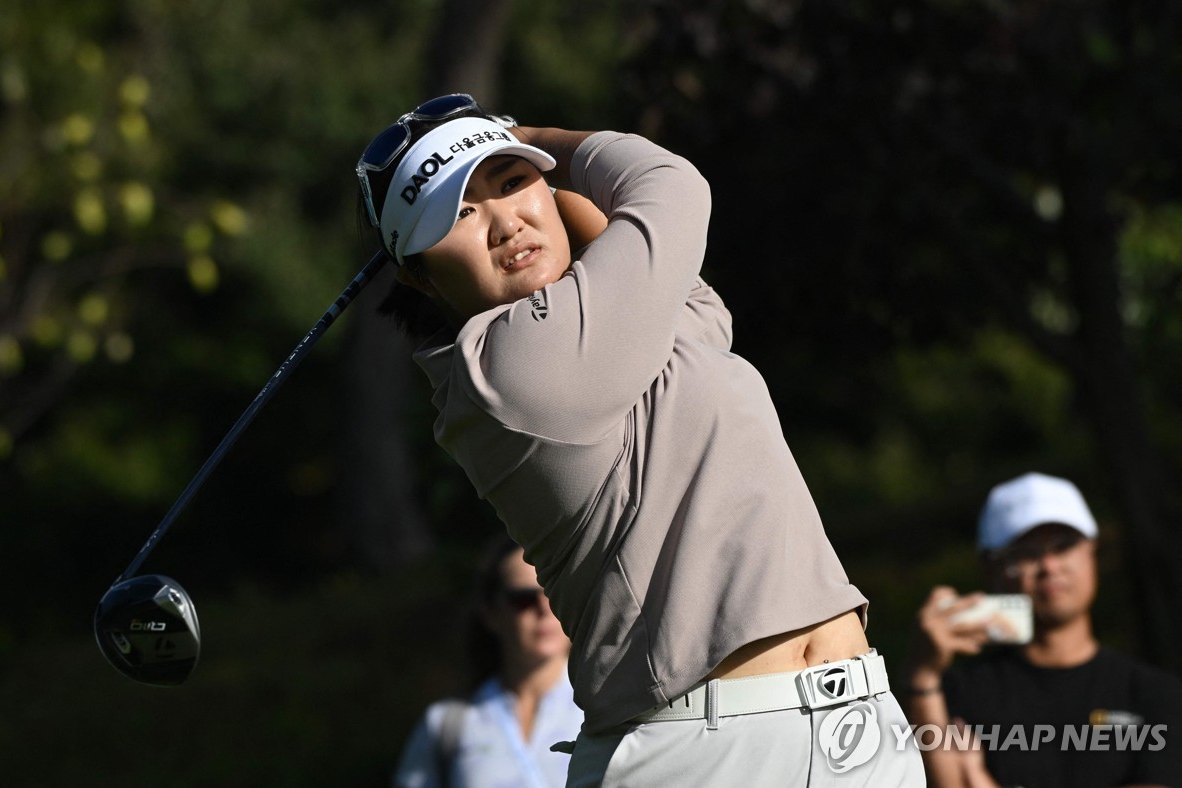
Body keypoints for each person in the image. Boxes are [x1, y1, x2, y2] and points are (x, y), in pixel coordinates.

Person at [356, 93, 925, 785]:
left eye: (512, 184)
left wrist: (533, 182)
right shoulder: (504, 369)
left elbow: (697, 304)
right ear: (415, 274)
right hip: (705, 751)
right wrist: (534, 140)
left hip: (853, 725)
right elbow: (667, 187)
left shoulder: (621, 330)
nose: (505, 223)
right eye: (458, 214)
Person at [906, 472, 1182, 788]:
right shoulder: (957, 693)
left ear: (1091, 551)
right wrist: (922, 675)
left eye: (1063, 546)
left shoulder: (1157, 693)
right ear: (991, 568)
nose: (1049, 566)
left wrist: (982, 781)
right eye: (1026, 552)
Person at [393, 536, 583, 788]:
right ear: (491, 614)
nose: (544, 609)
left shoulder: (614, 711)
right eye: (524, 599)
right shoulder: (446, 725)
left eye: (554, 592)